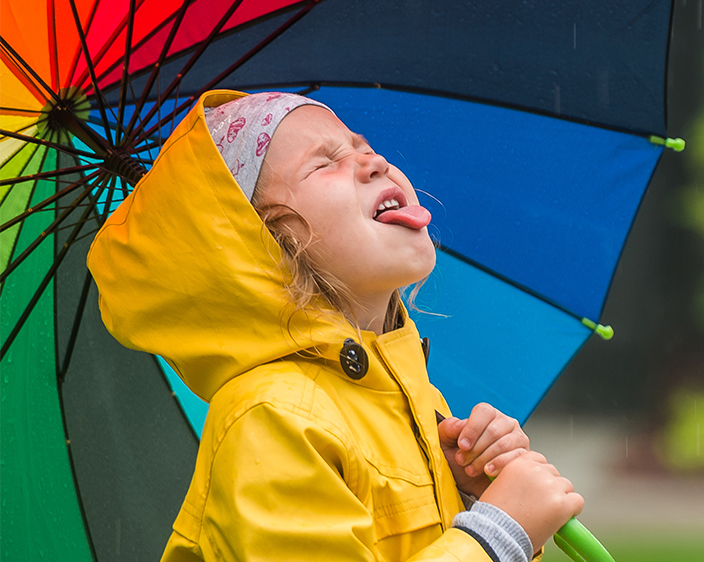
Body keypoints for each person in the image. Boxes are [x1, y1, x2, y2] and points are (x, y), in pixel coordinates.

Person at [88, 90, 583, 562]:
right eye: (325, 163)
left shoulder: (414, 402)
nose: (375, 162)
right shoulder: (272, 419)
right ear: (262, 243)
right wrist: (498, 533)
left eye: (365, 148)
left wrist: (468, 497)